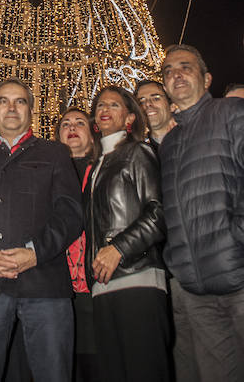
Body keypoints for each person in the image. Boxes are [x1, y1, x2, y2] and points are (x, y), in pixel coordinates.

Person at [0, 79, 82, 382]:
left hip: (45, 284)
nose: (11, 107)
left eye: (20, 101)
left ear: (31, 110)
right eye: (3, 101)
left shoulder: (55, 154)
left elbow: (70, 213)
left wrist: (35, 253)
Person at [160, 44, 244, 382]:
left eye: (185, 67)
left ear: (206, 79)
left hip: (239, 277)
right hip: (197, 290)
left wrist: (235, 239)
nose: (175, 74)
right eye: (168, 71)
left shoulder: (231, 113)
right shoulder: (169, 144)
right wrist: (178, 260)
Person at [84, 86, 170, 382]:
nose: (104, 109)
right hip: (103, 284)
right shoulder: (96, 166)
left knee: (144, 370)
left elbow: (158, 213)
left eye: (114, 105)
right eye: (99, 105)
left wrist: (118, 248)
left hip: (138, 276)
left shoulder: (138, 152)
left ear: (130, 117)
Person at [57, 108, 99, 382]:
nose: (72, 128)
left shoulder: (103, 168)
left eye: (79, 123)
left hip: (96, 283)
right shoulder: (48, 174)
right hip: (59, 289)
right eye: (65, 124)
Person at [134, 80, 175, 152]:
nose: (148, 104)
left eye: (156, 99)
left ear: (172, 106)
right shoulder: (142, 154)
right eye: (141, 102)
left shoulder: (194, 137)